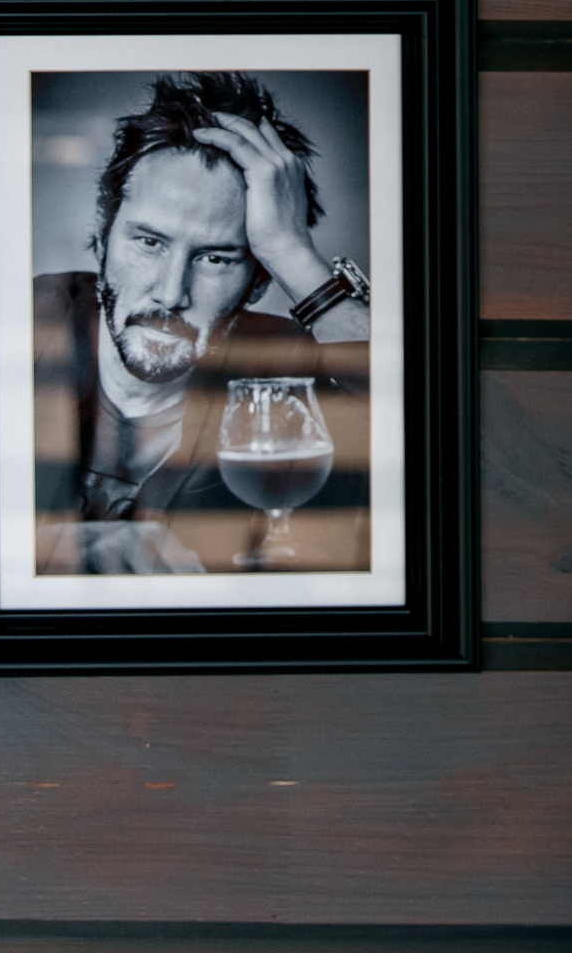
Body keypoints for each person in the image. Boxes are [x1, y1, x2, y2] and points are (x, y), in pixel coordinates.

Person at [33, 69, 370, 577]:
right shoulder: (22, 323)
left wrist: (293, 253)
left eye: (215, 259)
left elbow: (472, 457)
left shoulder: (289, 370)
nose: (171, 293)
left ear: (258, 283)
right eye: (149, 242)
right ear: (101, 243)